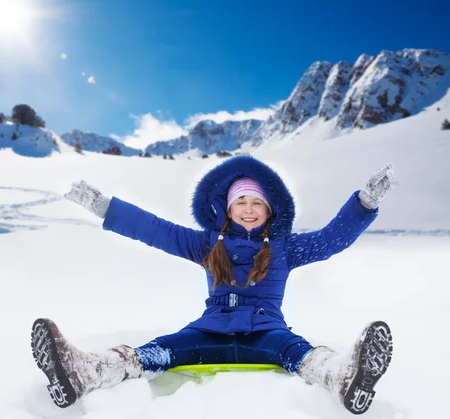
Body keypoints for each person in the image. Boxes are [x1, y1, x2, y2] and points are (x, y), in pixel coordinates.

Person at [31, 156, 397, 415]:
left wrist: (364, 203)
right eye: (241, 202)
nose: (249, 209)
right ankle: (86, 371)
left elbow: (333, 238)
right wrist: (103, 206)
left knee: (301, 354)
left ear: (271, 211)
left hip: (268, 332)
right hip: (209, 330)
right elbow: (155, 229)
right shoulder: (208, 244)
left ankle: (343, 375)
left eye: (258, 203)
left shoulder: (287, 248)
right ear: (227, 208)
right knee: (157, 352)